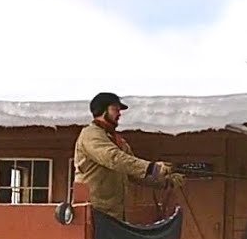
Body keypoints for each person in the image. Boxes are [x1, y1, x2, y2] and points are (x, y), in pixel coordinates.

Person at [74, 91, 185, 220]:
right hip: (93, 213)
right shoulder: (90, 134)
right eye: (115, 109)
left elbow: (133, 172)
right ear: (102, 110)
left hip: (114, 214)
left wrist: (166, 181)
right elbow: (114, 158)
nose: (119, 114)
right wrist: (152, 168)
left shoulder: (117, 140)